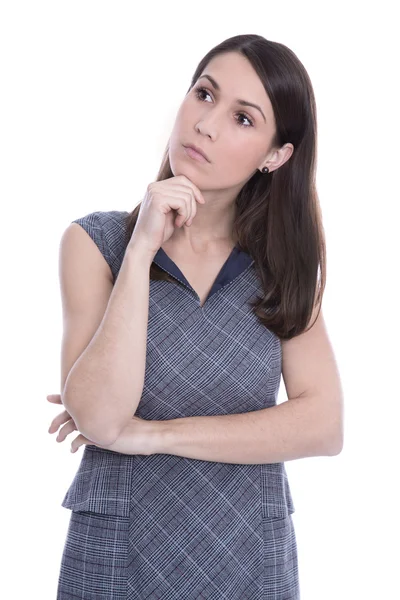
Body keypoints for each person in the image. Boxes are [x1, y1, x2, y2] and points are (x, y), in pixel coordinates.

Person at [50, 33, 344, 599]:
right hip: (115, 553)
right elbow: (102, 418)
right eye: (205, 94)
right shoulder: (97, 245)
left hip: (248, 557)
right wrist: (141, 251)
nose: (206, 124)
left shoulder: (282, 269)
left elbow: (323, 425)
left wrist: (154, 435)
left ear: (275, 155)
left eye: (242, 118)